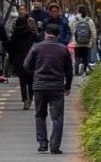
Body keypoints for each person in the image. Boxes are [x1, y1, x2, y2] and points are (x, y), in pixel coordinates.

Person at [24, 23, 73, 153]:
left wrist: (36, 73)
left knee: (40, 115)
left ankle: (42, 143)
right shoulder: (63, 49)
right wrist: (67, 87)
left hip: (39, 85)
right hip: (57, 86)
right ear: (57, 35)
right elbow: (69, 70)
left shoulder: (36, 47)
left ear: (45, 33)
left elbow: (26, 65)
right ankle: (55, 145)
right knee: (57, 117)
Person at [7, 14, 38, 110]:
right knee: (31, 80)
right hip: (30, 60)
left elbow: (10, 49)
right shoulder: (31, 35)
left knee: (22, 81)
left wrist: (12, 61)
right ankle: (30, 98)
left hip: (18, 60)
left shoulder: (14, 36)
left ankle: (25, 99)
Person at [70, 5, 97, 76]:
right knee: (85, 57)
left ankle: (76, 69)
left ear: (78, 10)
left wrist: (71, 38)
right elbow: (93, 32)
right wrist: (93, 42)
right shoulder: (89, 20)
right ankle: (84, 71)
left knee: (77, 56)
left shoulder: (74, 19)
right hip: (87, 42)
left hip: (77, 42)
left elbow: (69, 29)